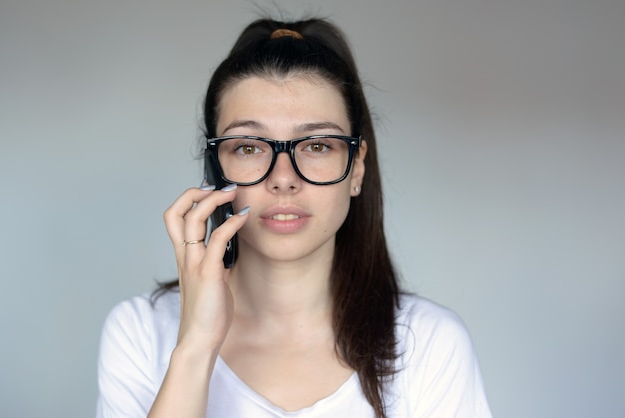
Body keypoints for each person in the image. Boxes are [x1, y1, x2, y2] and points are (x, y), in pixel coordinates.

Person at [96, 18, 492, 418]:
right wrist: (196, 346)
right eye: (249, 148)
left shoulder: (431, 343)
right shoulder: (141, 332)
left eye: (317, 145)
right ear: (214, 167)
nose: (283, 179)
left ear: (356, 169)